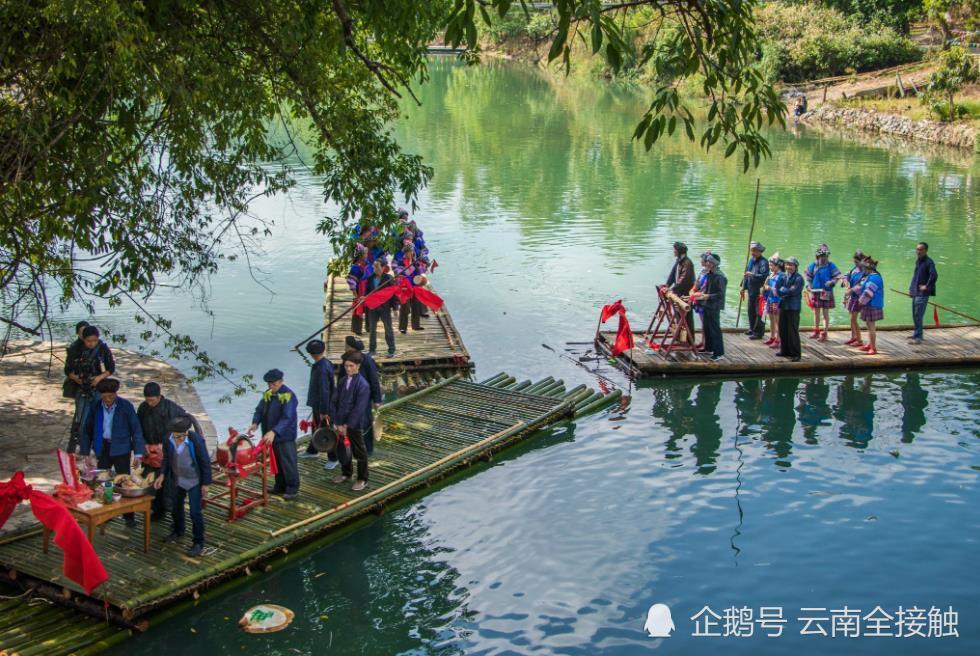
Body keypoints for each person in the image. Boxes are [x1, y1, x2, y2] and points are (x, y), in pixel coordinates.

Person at [80, 378, 144, 527]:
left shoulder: (125, 406)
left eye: (110, 396)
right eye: (105, 397)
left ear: (115, 394)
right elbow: (87, 430)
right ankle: (106, 513)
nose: (108, 399)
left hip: (122, 449)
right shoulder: (95, 406)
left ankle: (129, 517)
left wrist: (138, 453)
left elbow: (136, 430)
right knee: (104, 481)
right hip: (103, 448)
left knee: (125, 482)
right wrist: (86, 452)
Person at [154, 416, 211, 557]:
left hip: (194, 480)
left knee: (195, 512)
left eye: (180, 436)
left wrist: (205, 483)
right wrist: (162, 475)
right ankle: (178, 530)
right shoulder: (168, 439)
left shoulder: (195, 441)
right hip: (178, 479)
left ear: (185, 433)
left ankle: (198, 541)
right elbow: (166, 459)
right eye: (175, 435)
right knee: (176, 507)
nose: (177, 439)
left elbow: (205, 462)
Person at [137, 382, 190, 519]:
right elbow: (138, 429)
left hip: (167, 451)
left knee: (169, 482)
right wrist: (143, 445)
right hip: (150, 452)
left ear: (159, 396)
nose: (150, 403)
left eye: (152, 400)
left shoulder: (171, 408)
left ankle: (172, 511)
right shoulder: (143, 408)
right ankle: (155, 509)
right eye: (147, 400)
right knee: (150, 481)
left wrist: (166, 443)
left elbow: (184, 424)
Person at [249, 369, 300, 500]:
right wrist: (255, 422)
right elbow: (259, 410)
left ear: (281, 382)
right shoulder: (268, 393)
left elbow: (287, 418)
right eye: (269, 384)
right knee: (276, 461)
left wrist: (274, 431)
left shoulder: (288, 395)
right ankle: (279, 485)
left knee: (287, 461)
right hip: (270, 435)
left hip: (284, 435)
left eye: (274, 384)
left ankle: (292, 488)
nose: (271, 387)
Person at [64, 325, 116, 452]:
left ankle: (99, 444)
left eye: (94, 341)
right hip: (81, 388)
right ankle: (83, 445)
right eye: (89, 341)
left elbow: (111, 368)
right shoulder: (76, 349)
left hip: (99, 388)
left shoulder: (103, 349)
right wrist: (77, 379)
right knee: (82, 417)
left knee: (100, 415)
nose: (91, 344)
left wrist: (98, 378)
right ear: (83, 339)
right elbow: (68, 370)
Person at [330, 351, 371, 492]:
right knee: (341, 448)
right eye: (346, 366)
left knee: (359, 451)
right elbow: (334, 401)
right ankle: (346, 473)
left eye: (351, 366)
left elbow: (359, 409)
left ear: (358, 366)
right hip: (340, 422)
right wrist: (335, 422)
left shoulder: (363, 385)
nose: (348, 369)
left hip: (355, 424)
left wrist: (347, 425)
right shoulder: (342, 381)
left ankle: (362, 478)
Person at [299, 340, 336, 465]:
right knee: (316, 427)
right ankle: (313, 450)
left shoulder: (321, 368)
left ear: (311, 354)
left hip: (324, 405)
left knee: (327, 430)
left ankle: (333, 457)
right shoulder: (325, 363)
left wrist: (324, 410)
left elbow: (325, 390)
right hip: (318, 403)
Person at [345, 336, 382, 454]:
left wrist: (377, 399)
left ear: (352, 348)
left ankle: (368, 449)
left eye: (346, 345)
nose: (344, 347)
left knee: (365, 422)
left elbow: (374, 380)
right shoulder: (346, 360)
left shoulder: (367, 360)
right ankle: (353, 447)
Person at [691, 252, 727, 361]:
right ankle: (708, 348)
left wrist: (708, 296)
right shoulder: (709, 273)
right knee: (706, 327)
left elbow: (720, 294)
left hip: (714, 306)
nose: (706, 263)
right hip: (706, 304)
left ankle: (719, 352)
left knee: (715, 329)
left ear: (713, 263)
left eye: (709, 261)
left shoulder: (720, 276)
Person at [804, 244, 843, 342]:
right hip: (815, 292)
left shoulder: (830, 265)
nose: (824, 258)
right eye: (822, 256)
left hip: (826, 292)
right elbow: (807, 276)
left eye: (826, 256)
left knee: (825, 313)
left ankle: (825, 333)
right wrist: (808, 285)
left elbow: (838, 276)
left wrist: (832, 282)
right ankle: (816, 331)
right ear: (818, 256)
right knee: (816, 312)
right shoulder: (814, 265)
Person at [664, 241, 696, 339]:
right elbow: (673, 274)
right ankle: (680, 337)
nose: (673, 251)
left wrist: (673, 289)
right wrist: (667, 285)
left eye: (674, 250)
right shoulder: (679, 260)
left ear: (679, 251)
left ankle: (690, 339)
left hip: (685, 293)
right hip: (678, 292)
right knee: (678, 315)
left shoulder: (687, 263)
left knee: (686, 317)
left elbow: (683, 279)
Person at [909, 242, 937, 344]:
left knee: (918, 315)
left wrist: (927, 286)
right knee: (914, 314)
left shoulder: (929, 262)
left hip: (923, 294)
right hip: (916, 292)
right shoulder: (918, 261)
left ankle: (918, 337)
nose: (918, 251)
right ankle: (916, 334)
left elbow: (934, 275)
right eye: (917, 249)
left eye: (920, 250)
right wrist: (911, 288)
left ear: (925, 251)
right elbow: (915, 276)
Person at [366, 259, 396, 356]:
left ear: (383, 268)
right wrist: (364, 298)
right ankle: (372, 350)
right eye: (374, 267)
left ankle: (391, 349)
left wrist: (396, 308)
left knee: (388, 328)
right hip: (373, 308)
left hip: (385, 307)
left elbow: (394, 293)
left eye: (377, 267)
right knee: (372, 329)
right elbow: (367, 292)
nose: (375, 269)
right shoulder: (370, 278)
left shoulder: (388, 278)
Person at [777, 257, 805, 362]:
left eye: (791, 265)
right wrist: (785, 290)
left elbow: (793, 292)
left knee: (792, 330)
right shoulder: (783, 276)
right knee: (782, 328)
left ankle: (796, 353)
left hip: (793, 307)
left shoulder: (799, 278)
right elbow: (777, 288)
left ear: (795, 267)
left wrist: (783, 290)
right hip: (783, 305)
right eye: (787, 265)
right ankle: (784, 350)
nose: (788, 267)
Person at [856, 256, 884, 356]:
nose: (862, 270)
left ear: (868, 268)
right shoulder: (870, 276)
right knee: (868, 325)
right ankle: (869, 344)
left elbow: (869, 292)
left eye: (863, 268)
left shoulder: (875, 277)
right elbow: (862, 287)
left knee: (871, 326)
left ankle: (873, 348)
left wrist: (861, 301)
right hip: (868, 304)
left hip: (873, 304)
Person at [741, 241, 769, 339]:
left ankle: (758, 332)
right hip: (751, 289)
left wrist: (752, 275)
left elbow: (765, 277)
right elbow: (746, 274)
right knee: (751, 310)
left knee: (759, 312)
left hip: (759, 291)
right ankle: (752, 328)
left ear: (760, 251)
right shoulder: (751, 260)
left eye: (755, 251)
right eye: (752, 250)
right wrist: (743, 286)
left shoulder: (763, 262)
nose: (753, 252)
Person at [395, 248, 425, 333]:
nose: (409, 253)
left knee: (416, 305)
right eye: (407, 252)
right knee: (405, 306)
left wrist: (419, 277)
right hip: (405, 287)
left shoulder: (415, 262)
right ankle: (402, 327)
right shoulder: (401, 262)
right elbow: (399, 274)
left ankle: (416, 325)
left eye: (410, 251)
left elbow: (418, 273)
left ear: (412, 252)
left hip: (414, 286)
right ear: (405, 253)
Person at [843, 250, 867, 348]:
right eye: (854, 262)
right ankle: (853, 337)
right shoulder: (854, 269)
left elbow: (862, 285)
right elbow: (845, 276)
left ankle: (860, 340)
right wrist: (846, 283)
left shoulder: (865, 272)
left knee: (853, 319)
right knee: (851, 318)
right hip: (851, 296)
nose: (856, 264)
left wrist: (851, 290)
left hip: (858, 297)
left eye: (857, 262)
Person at [347, 248, 370, 335]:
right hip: (359, 290)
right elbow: (351, 280)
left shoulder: (367, 264)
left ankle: (369, 327)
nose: (366, 255)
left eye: (367, 254)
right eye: (365, 254)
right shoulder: (356, 267)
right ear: (360, 256)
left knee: (369, 308)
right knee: (358, 307)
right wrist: (355, 294)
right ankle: (356, 329)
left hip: (368, 289)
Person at [763, 253, 784, 349]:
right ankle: (772, 336)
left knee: (778, 321)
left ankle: (778, 339)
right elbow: (765, 285)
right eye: (769, 265)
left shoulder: (781, 276)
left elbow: (780, 290)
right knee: (771, 319)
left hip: (777, 301)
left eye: (771, 265)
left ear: (777, 266)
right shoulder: (771, 274)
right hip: (770, 299)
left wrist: (769, 288)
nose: (770, 267)